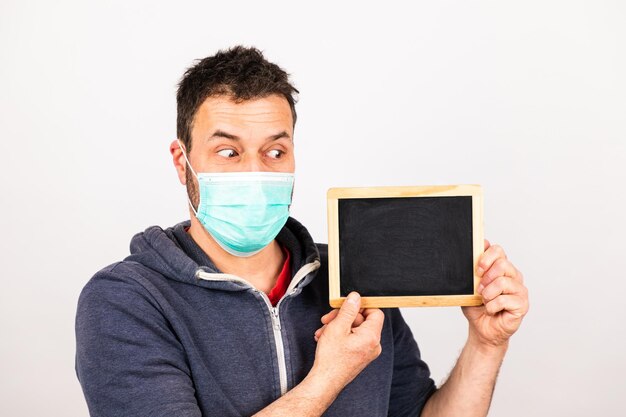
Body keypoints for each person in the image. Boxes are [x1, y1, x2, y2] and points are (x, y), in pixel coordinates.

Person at [75, 46, 529, 417]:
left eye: (275, 151)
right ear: (182, 161)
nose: (255, 170)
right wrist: (328, 377)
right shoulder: (126, 300)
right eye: (228, 152)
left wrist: (486, 345)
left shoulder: (355, 274)